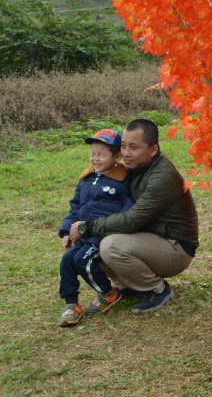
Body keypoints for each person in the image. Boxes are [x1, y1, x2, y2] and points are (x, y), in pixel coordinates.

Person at [68, 119, 199, 314]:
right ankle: (128, 286)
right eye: (123, 146)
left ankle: (157, 289)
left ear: (152, 150)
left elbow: (131, 220)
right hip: (150, 237)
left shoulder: (161, 177)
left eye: (134, 147)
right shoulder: (134, 168)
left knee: (110, 245)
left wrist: (86, 226)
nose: (126, 153)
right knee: (95, 243)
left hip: (175, 247)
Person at [57, 129, 133, 327]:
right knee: (67, 260)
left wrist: (116, 226)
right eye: (92, 154)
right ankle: (71, 303)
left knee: (83, 261)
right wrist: (66, 231)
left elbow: (129, 208)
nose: (95, 159)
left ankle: (108, 293)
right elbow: (75, 206)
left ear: (116, 157)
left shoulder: (122, 181)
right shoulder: (86, 180)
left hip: (102, 235)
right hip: (83, 235)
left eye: (101, 154)